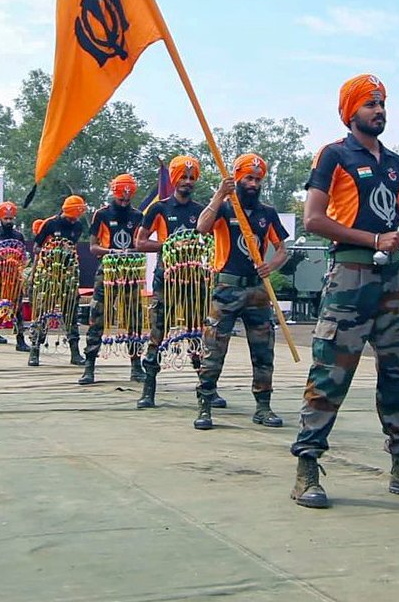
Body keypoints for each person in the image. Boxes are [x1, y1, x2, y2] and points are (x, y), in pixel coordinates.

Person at [289, 75, 399, 508]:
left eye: (382, 103)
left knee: (396, 375)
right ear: (351, 111)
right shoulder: (334, 155)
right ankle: (307, 466)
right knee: (330, 374)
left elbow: (398, 222)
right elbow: (314, 219)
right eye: (370, 103)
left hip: (392, 280)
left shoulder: (396, 164)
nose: (379, 110)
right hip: (350, 275)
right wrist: (373, 240)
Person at [193, 153, 289, 430]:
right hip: (227, 289)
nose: (253, 184)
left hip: (257, 291)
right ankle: (205, 406)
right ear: (237, 178)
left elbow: (283, 249)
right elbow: (202, 227)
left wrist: (271, 265)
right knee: (213, 350)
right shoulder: (224, 208)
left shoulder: (267, 213)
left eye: (258, 179)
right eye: (248, 177)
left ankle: (263, 407)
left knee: (263, 352)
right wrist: (219, 194)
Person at [135, 156, 207, 410]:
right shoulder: (159, 209)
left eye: (191, 177)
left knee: (197, 335)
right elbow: (140, 242)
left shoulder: (201, 211)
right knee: (157, 332)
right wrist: (168, 245)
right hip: (166, 279)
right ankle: (148, 390)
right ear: (175, 179)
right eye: (183, 177)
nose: (187, 182)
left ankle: (207, 391)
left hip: (194, 280)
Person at [80, 174, 147, 385]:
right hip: (108, 270)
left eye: (128, 198)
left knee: (134, 318)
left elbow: (141, 244)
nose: (124, 202)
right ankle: (89, 366)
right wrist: (111, 252)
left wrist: (131, 251)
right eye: (121, 198)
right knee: (97, 316)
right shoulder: (101, 214)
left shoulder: (139, 216)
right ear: (114, 193)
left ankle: (136, 365)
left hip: (132, 271)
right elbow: (93, 247)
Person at [25, 196, 86, 369]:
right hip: (47, 275)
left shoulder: (79, 226)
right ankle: (34, 351)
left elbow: (73, 248)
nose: (74, 219)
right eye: (72, 216)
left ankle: (75, 353)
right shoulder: (50, 224)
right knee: (42, 313)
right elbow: (36, 248)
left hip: (67, 276)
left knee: (71, 314)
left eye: (76, 216)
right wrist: (53, 249)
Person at [0, 201, 29, 354]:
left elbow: (24, 257)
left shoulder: (19, 235)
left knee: (17, 310)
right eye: (6, 218)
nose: (9, 221)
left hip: (14, 279)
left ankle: (20, 340)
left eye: (11, 218)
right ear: (0, 218)